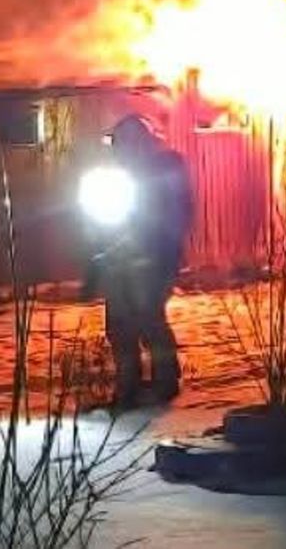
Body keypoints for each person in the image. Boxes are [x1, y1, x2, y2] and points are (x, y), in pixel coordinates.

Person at [85, 114, 194, 409]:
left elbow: (172, 217)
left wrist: (158, 252)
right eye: (119, 144)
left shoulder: (165, 170)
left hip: (153, 261)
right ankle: (128, 388)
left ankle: (164, 383)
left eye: (129, 142)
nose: (123, 150)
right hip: (120, 262)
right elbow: (103, 220)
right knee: (119, 326)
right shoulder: (116, 177)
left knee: (148, 319)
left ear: (143, 143)